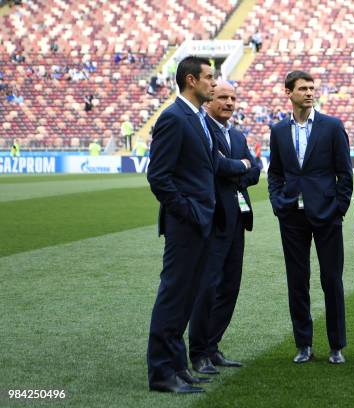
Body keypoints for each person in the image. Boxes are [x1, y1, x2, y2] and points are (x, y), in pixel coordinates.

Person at [268, 71, 353, 364]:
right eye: (302, 88)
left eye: (311, 88)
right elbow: (275, 173)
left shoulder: (332, 126)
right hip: (292, 216)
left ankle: (336, 346)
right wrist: (279, 203)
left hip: (326, 215)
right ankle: (303, 345)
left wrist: (338, 209)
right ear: (288, 92)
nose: (309, 92)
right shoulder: (278, 130)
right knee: (297, 281)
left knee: (332, 280)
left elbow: (345, 174)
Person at [146, 56, 219, 394]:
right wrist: (188, 211)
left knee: (187, 296)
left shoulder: (197, 118)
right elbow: (159, 177)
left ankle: (178, 366)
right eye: (209, 77)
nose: (214, 83)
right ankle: (162, 373)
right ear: (191, 80)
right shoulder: (174, 118)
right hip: (186, 224)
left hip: (199, 222)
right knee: (174, 295)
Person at [188, 80, 260, 375]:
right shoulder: (203, 130)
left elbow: (255, 171)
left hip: (237, 220)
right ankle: (199, 352)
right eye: (223, 97)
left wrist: (240, 167)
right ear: (209, 100)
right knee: (208, 287)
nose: (230, 102)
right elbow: (219, 168)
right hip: (214, 220)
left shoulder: (238, 136)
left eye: (233, 97)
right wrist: (241, 167)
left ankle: (213, 346)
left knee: (230, 286)